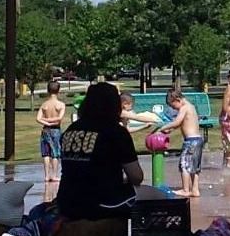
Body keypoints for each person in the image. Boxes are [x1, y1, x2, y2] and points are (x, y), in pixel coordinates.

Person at [58, 82, 163, 219]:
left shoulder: (70, 130)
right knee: (158, 195)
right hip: (102, 202)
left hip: (67, 201)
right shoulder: (116, 132)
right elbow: (136, 177)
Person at [159, 89, 203, 197]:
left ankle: (185, 189)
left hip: (190, 142)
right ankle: (195, 190)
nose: (174, 109)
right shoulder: (191, 107)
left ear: (178, 100)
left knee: (185, 165)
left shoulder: (184, 108)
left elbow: (177, 122)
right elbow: (183, 123)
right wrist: (170, 130)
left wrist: (162, 128)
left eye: (174, 106)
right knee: (194, 167)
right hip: (198, 140)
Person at [36, 81, 66, 182]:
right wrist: (51, 122)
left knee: (46, 153)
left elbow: (38, 118)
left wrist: (46, 122)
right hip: (55, 130)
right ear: (59, 90)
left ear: (48, 90)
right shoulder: (61, 105)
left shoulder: (44, 105)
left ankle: (46, 175)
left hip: (45, 129)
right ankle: (54, 175)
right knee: (55, 153)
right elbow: (59, 118)